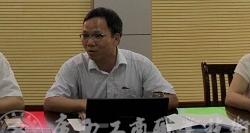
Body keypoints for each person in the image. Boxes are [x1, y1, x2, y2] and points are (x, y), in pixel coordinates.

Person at [44, 7, 178, 113]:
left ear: (116, 39)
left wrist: (137, 107)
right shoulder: (74, 66)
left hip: (132, 131)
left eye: (97, 36)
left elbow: (171, 99)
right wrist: (88, 105)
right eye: (85, 35)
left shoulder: (140, 64)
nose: (89, 43)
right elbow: (51, 101)